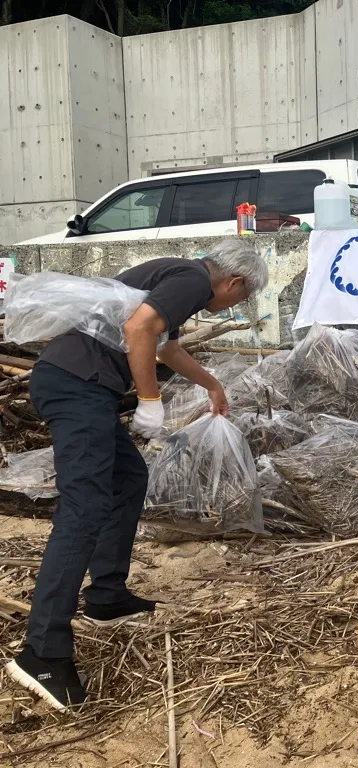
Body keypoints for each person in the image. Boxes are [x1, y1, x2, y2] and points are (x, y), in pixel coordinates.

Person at [3, 238, 269, 711]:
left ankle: (106, 594)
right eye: (239, 300)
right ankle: (42, 652)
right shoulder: (191, 280)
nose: (232, 306)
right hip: (77, 386)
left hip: (79, 385)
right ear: (234, 282)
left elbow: (165, 347)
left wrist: (212, 383)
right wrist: (149, 399)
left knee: (128, 480)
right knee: (83, 510)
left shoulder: (176, 275)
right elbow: (140, 328)